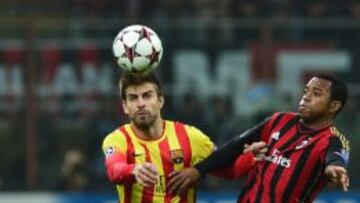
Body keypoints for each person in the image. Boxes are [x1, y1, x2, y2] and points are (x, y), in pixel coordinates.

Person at [168, 74, 350, 203]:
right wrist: (198, 170)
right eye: (306, 90)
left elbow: (335, 157)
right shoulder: (280, 120)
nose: (306, 97)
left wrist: (335, 167)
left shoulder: (333, 140)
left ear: (334, 106)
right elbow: (236, 146)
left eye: (316, 93)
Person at [102, 72, 266, 203]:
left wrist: (253, 157)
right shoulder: (117, 139)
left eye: (147, 96)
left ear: (160, 100)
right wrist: (133, 170)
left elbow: (230, 171)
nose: (140, 104)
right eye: (133, 98)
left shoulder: (190, 136)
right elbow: (114, 169)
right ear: (125, 106)